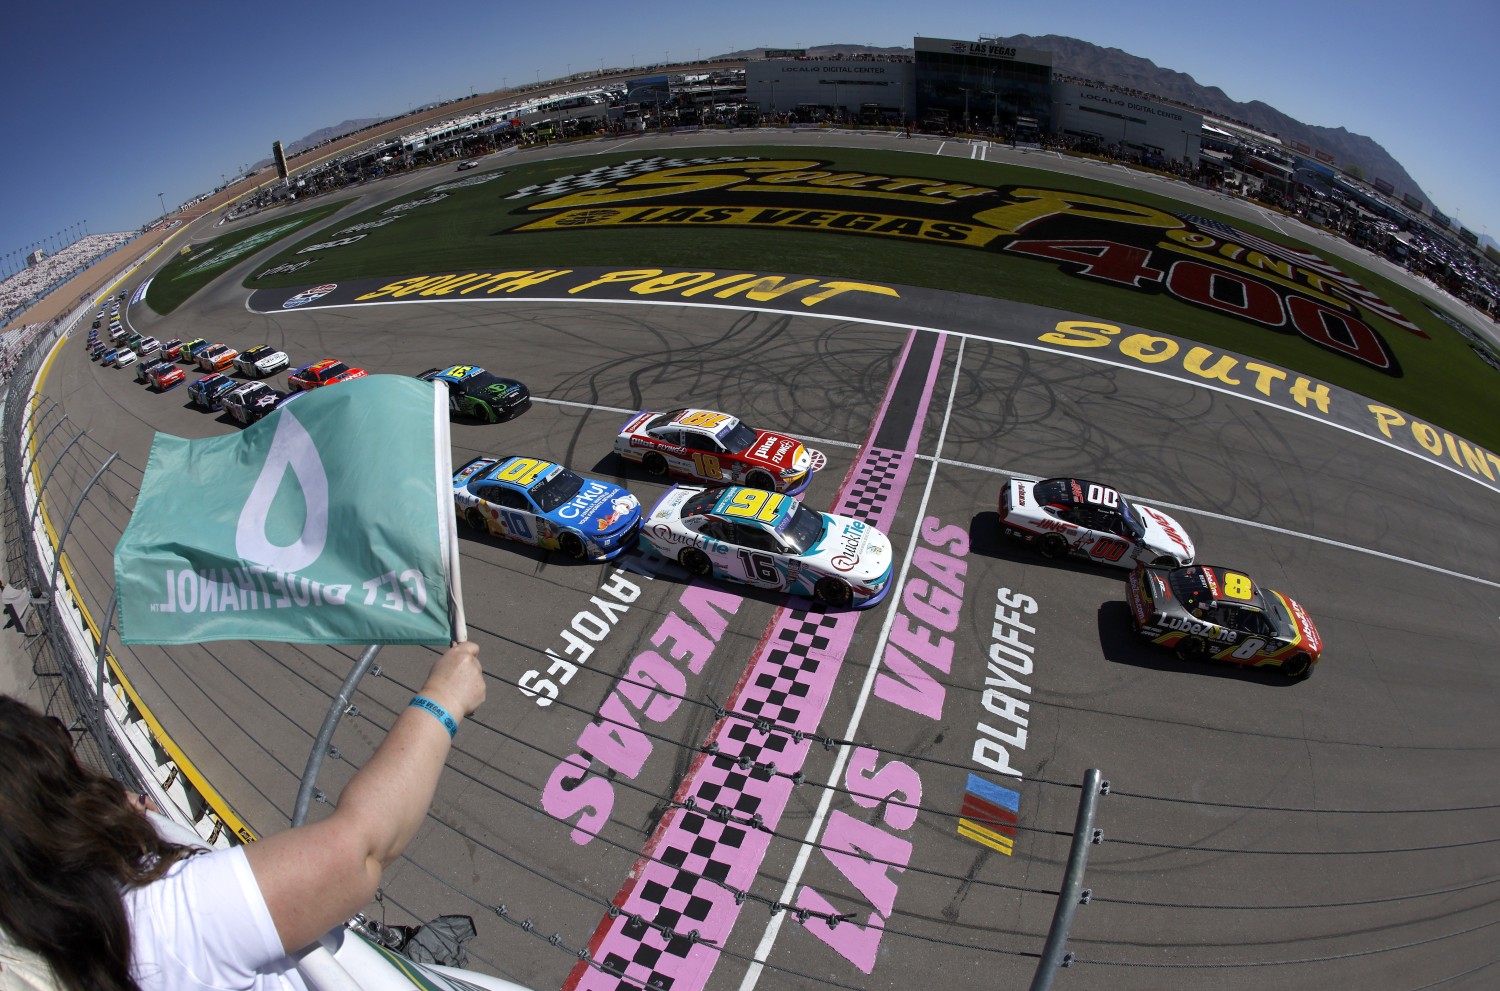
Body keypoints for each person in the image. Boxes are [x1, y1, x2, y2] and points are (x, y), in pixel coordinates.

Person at [0, 641, 486, 991]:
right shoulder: (154, 920)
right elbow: (359, 850)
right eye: (58, 746)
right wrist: (442, 699)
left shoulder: (48, 935)